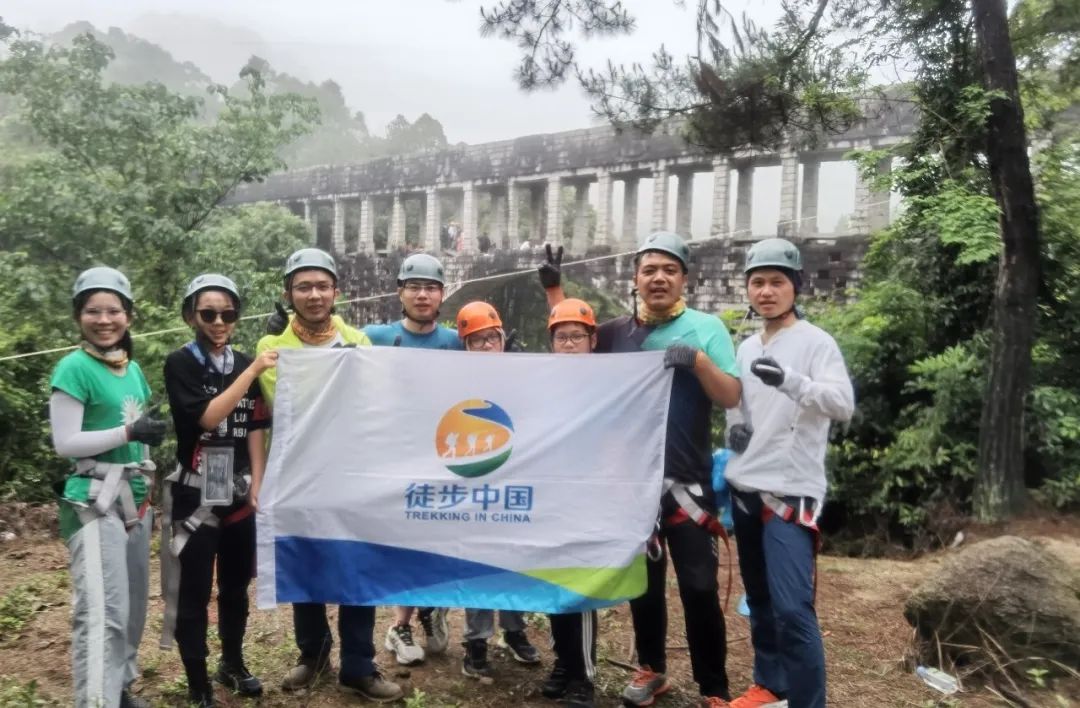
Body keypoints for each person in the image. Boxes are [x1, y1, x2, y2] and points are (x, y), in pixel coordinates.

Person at [539, 234, 741, 708]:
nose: (659, 278)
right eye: (649, 270)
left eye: (669, 270)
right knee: (644, 585)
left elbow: (730, 395)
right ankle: (652, 668)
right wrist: (554, 292)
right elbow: (574, 342)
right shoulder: (615, 334)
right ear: (636, 279)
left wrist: (699, 362)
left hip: (687, 482)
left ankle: (714, 687)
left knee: (699, 586)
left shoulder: (706, 329)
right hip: (633, 484)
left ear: (684, 279)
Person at [255, 248, 403, 702]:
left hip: (352, 473)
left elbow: (372, 403)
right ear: (288, 294)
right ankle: (313, 654)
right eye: (303, 287)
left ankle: (358, 665)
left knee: (357, 568)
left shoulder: (358, 342)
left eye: (322, 286)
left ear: (336, 291)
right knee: (307, 562)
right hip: (300, 474)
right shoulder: (271, 348)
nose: (314, 295)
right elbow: (288, 404)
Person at [723, 238, 854, 708]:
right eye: (757, 282)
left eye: (776, 282)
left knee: (793, 608)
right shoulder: (746, 346)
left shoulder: (816, 343)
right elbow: (738, 406)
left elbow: (842, 404)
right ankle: (770, 683)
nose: (766, 291)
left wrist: (791, 382)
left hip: (791, 492)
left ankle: (807, 701)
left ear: (795, 286)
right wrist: (734, 431)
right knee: (759, 599)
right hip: (745, 485)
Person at [49, 267, 168, 708]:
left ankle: (119, 688)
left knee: (132, 607)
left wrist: (144, 445)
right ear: (78, 316)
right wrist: (129, 433)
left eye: (113, 311)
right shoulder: (73, 368)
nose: (104, 320)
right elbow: (65, 442)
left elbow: (136, 430)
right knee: (103, 611)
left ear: (128, 316)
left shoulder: (131, 368)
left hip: (134, 500)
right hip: (94, 502)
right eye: (93, 311)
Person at [161, 274, 277, 707]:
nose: (218, 322)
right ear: (190, 316)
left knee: (234, 587)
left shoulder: (244, 362)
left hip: (238, 491)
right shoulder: (181, 364)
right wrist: (253, 371)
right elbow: (208, 418)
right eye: (208, 314)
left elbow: (255, 426)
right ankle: (198, 683)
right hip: (195, 493)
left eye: (228, 314)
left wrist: (258, 482)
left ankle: (232, 663)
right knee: (194, 591)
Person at [365, 253, 459, 666]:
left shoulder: (455, 342)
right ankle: (399, 625)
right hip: (392, 456)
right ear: (400, 292)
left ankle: (431, 609)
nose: (423, 295)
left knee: (438, 539)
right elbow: (329, 349)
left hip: (442, 457)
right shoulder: (374, 337)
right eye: (415, 287)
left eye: (431, 288)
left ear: (441, 295)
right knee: (403, 542)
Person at [454, 301, 542, 678]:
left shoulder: (521, 377)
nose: (488, 345)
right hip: (473, 480)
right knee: (477, 559)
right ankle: (476, 640)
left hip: (514, 478)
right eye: (478, 340)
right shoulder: (454, 383)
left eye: (493, 337)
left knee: (513, 556)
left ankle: (514, 629)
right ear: (465, 346)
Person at [542, 298, 601, 708]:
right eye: (561, 337)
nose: (568, 344)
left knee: (578, 588)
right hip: (550, 495)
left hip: (587, 496)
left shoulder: (610, 382)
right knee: (552, 584)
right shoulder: (543, 382)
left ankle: (584, 675)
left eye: (576, 336)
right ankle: (564, 662)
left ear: (592, 340)